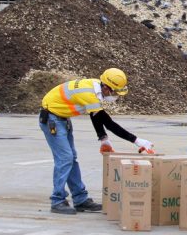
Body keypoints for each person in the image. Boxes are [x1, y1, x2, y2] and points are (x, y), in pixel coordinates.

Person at [39, 68, 154, 215]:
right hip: (51, 120)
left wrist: (103, 139)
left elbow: (95, 115)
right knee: (65, 158)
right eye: (114, 92)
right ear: (106, 87)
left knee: (71, 158)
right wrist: (137, 141)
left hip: (61, 119)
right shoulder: (89, 94)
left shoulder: (95, 87)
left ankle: (80, 199)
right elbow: (108, 122)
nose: (115, 96)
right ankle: (57, 200)